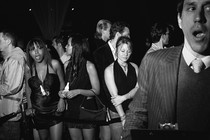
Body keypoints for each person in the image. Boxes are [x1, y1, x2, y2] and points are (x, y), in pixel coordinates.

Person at [122, 0, 210, 139]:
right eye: (191, 8)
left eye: (208, 8)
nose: (199, 17)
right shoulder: (153, 61)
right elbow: (136, 115)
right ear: (179, 20)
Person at [93, 21, 130, 140]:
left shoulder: (126, 52)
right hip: (109, 105)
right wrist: (110, 105)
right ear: (119, 35)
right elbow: (102, 84)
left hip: (126, 103)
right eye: (127, 35)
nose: (130, 38)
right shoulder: (99, 53)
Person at [60, 33, 100, 140]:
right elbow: (67, 86)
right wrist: (62, 93)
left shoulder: (89, 65)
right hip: (72, 109)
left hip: (86, 108)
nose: (65, 47)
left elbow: (96, 91)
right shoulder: (66, 65)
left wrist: (78, 91)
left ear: (76, 47)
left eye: (68, 45)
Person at [25, 37, 66, 140]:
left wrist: (62, 100)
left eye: (39, 48)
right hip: (38, 111)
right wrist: (29, 107)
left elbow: (62, 82)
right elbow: (28, 88)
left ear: (44, 49)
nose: (36, 52)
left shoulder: (54, 64)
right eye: (32, 49)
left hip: (55, 109)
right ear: (29, 52)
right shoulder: (28, 68)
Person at [104, 36, 139, 140]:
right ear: (116, 51)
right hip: (116, 111)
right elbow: (115, 99)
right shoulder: (109, 70)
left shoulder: (135, 67)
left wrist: (124, 97)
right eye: (122, 50)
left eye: (128, 51)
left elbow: (138, 89)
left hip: (133, 110)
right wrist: (123, 118)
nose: (125, 54)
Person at [0, 30, 26, 140]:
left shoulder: (15, 59)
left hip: (10, 113)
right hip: (6, 111)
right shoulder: (9, 59)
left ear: (8, 41)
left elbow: (11, 86)